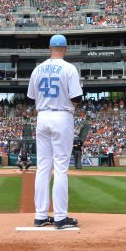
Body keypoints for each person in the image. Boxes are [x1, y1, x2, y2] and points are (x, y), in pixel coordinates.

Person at [26, 34, 83, 229]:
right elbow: (77, 97)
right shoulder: (69, 68)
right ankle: (60, 217)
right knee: (60, 168)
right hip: (61, 116)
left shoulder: (38, 69)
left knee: (43, 168)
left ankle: (40, 216)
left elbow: (31, 96)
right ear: (65, 48)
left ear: (49, 48)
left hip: (42, 117)